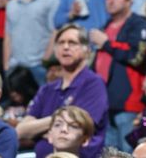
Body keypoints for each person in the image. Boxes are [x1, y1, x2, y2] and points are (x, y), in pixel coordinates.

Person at [17, 24, 109, 158]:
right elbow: (21, 130)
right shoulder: (47, 89)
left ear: (87, 50)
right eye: (61, 43)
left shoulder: (93, 84)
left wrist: (41, 129)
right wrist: (60, 124)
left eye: (72, 43)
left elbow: (81, 126)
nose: (65, 47)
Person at [90, 0, 146, 152]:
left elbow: (136, 57)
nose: (110, 1)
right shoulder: (106, 26)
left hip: (129, 104)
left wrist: (107, 44)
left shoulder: (138, 24)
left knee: (129, 153)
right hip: (105, 104)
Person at [4, 0, 59, 85]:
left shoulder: (50, 1)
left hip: (39, 66)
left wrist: (46, 60)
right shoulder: (12, 4)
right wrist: (6, 64)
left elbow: (55, 32)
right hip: (15, 65)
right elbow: (8, 35)